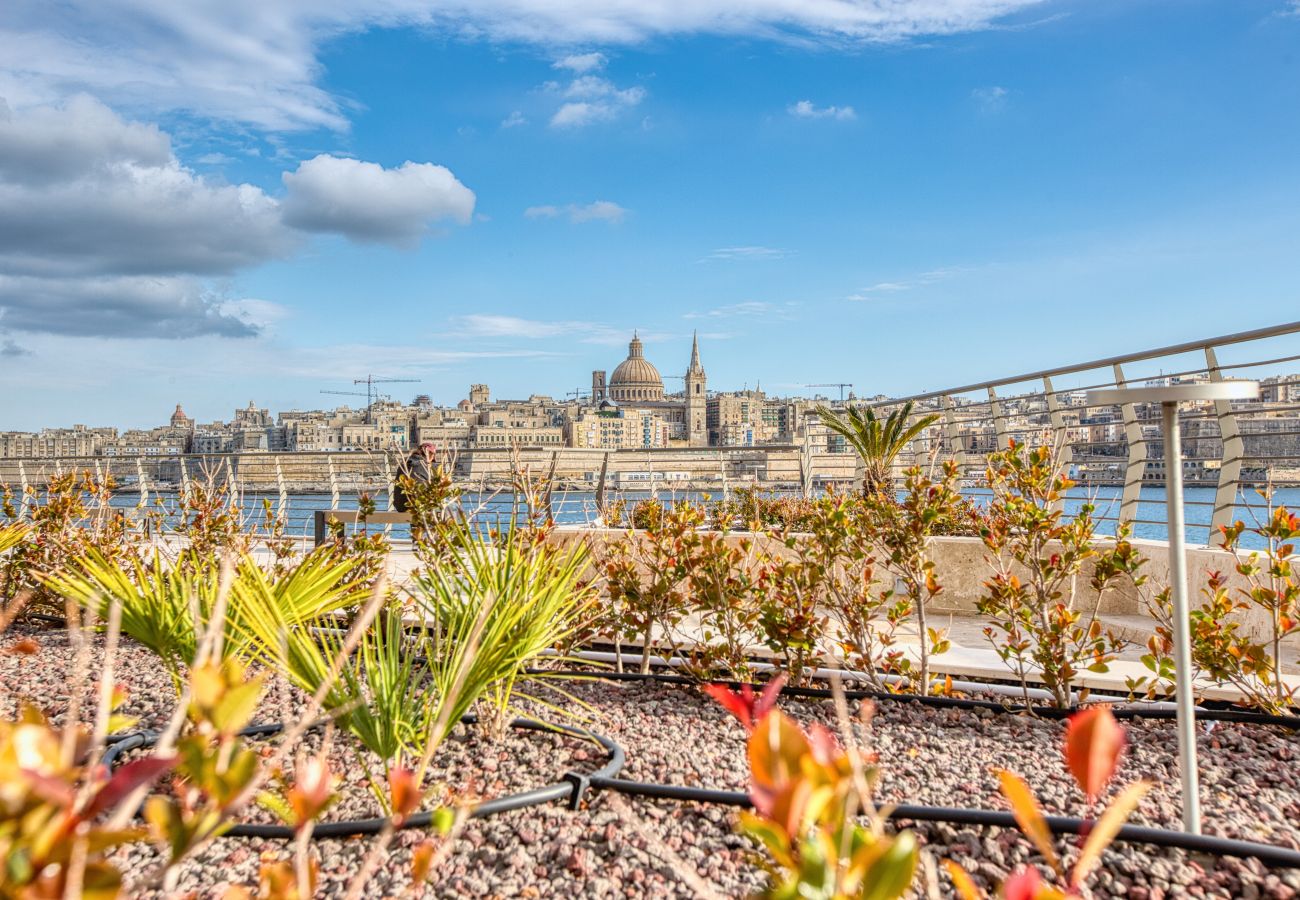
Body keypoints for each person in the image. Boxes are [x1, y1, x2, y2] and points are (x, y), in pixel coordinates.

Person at [393, 442, 436, 513]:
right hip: (420, 507)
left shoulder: (405, 462)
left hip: (401, 507)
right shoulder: (429, 466)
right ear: (431, 456)